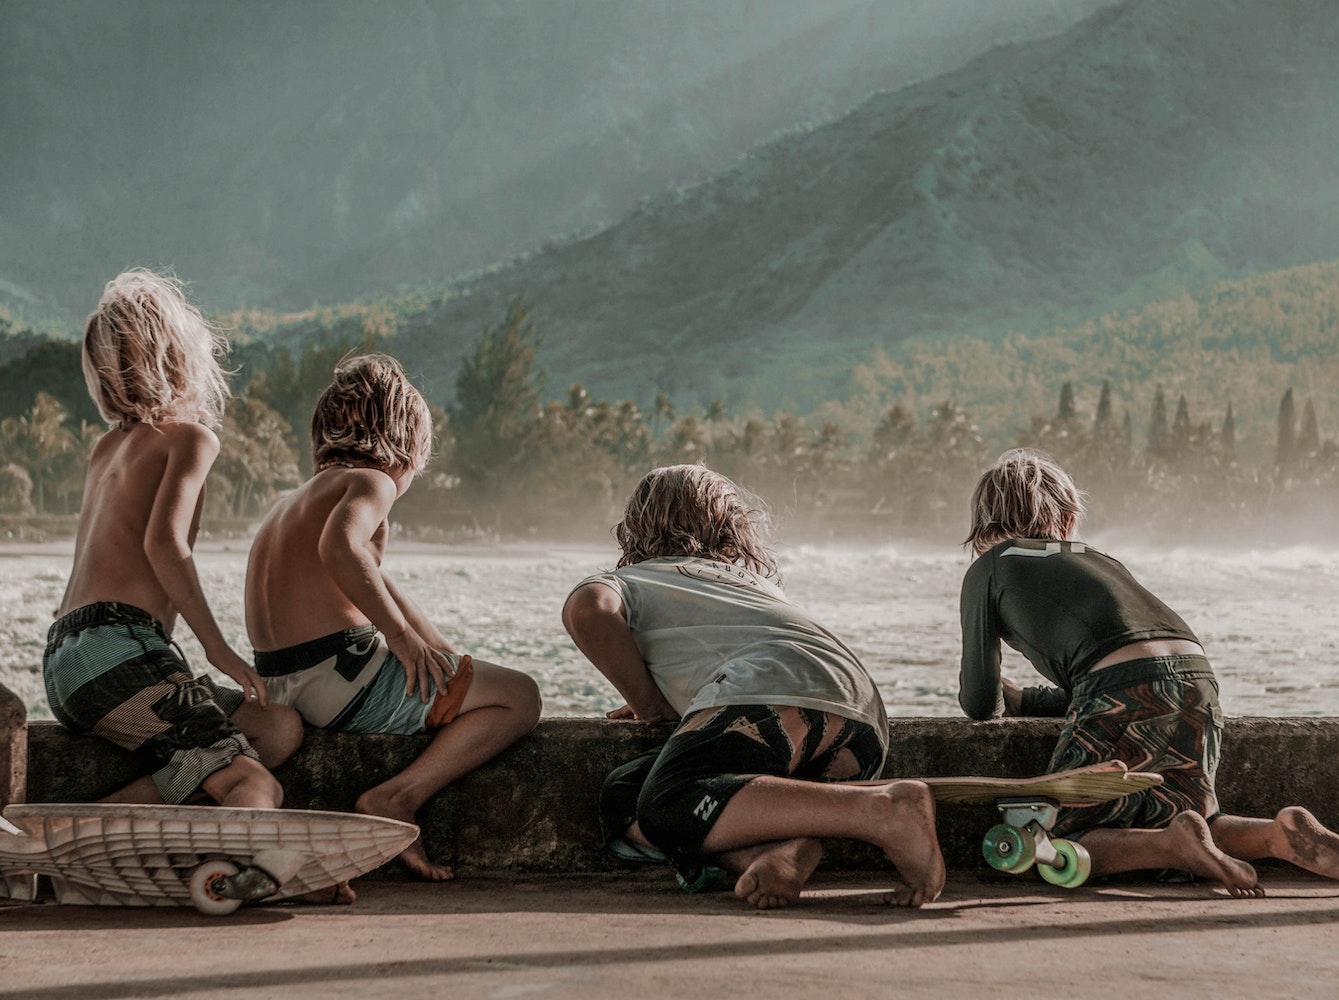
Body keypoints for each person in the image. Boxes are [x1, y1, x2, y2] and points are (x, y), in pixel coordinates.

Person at [958, 448, 1339, 896]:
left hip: (1119, 685)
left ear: (984, 520)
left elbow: (981, 703)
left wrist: (1002, 699)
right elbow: (1124, 667)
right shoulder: (1098, 559)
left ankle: (1173, 846)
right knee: (1197, 819)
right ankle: (1277, 834)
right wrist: (1029, 699)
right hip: (1197, 681)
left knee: (1059, 842)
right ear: (1068, 514)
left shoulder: (992, 566)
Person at [562, 464, 944, 909]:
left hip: (764, 692)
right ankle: (779, 850)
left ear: (633, 529)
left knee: (667, 804)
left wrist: (647, 703)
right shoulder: (752, 584)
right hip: (860, 720)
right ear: (732, 531)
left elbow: (588, 610)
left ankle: (885, 811)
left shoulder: (633, 578)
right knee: (624, 794)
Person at [244, 353, 542, 880]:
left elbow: (368, 576)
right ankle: (397, 797)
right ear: (407, 446)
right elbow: (340, 549)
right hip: (342, 679)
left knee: (465, 675)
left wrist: (443, 652)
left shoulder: (291, 502)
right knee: (521, 695)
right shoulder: (371, 482)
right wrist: (401, 638)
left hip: (284, 683)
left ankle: (399, 785)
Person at [43, 269, 302, 810]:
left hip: (66, 660)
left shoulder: (106, 448)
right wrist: (218, 649)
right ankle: (237, 861)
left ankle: (84, 822)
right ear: (182, 356)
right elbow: (163, 545)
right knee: (255, 786)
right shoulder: (189, 438)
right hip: (121, 649)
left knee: (276, 730)